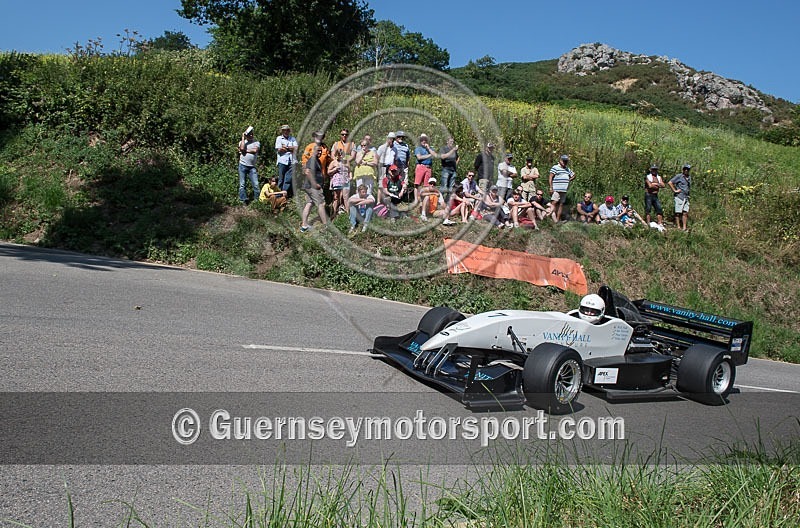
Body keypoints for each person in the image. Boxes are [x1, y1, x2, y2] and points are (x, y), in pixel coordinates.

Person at [299, 131, 329, 232]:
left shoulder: (317, 160)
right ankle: (326, 225)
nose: (319, 152)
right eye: (317, 151)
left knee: (309, 203)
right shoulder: (312, 159)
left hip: (309, 186)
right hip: (312, 186)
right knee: (321, 203)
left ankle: (304, 225)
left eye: (320, 151)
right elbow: (307, 171)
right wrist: (314, 184)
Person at [330, 129, 356, 207]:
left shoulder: (352, 144)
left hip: (347, 168)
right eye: (342, 134)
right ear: (340, 135)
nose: (344, 136)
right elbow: (332, 155)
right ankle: (336, 209)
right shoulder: (336, 144)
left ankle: (344, 207)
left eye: (346, 134)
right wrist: (337, 162)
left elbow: (353, 156)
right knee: (337, 192)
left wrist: (345, 160)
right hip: (337, 169)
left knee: (345, 191)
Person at [548, 154, 575, 222]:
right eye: (564, 161)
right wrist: (551, 187)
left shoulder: (567, 169)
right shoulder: (555, 167)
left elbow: (574, 175)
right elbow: (550, 177)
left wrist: (569, 180)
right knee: (554, 203)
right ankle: (551, 218)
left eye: (566, 161)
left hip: (564, 190)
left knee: (561, 204)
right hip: (556, 189)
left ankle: (557, 219)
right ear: (560, 160)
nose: (565, 162)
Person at [237, 126, 260, 204]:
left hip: (252, 167)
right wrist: (243, 138)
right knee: (242, 184)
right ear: (246, 135)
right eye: (249, 134)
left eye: (252, 134)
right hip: (242, 165)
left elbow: (255, 150)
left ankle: (257, 201)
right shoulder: (241, 142)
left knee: (256, 184)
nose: (251, 136)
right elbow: (242, 148)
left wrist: (244, 151)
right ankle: (243, 199)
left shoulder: (256, 142)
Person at [274, 124, 298, 198]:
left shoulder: (292, 138)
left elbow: (296, 148)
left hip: (292, 161)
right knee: (281, 178)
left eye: (287, 130)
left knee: (288, 178)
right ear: (282, 131)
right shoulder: (279, 138)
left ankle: (284, 193)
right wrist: (290, 149)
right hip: (282, 161)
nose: (286, 131)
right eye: (284, 130)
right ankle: (278, 195)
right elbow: (279, 150)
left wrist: (286, 148)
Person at [413, 133, 437, 203]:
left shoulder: (430, 148)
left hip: (428, 168)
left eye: (425, 140)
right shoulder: (418, 148)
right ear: (420, 141)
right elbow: (419, 157)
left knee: (426, 185)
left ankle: (423, 199)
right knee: (417, 183)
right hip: (421, 166)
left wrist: (428, 148)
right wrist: (429, 155)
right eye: (422, 140)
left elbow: (435, 155)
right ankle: (416, 199)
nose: (424, 141)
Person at [327, 148, 350, 218]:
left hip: (345, 181)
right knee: (336, 197)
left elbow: (349, 170)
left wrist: (350, 177)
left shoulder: (346, 162)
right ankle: (333, 213)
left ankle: (348, 214)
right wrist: (335, 169)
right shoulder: (334, 162)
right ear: (337, 155)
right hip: (337, 181)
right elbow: (328, 172)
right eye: (339, 155)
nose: (341, 156)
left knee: (345, 197)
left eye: (342, 155)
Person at [669, 164, 692, 231]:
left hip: (686, 197)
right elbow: (670, 182)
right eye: (685, 169)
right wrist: (675, 190)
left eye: (687, 169)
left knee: (685, 212)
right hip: (679, 196)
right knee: (678, 212)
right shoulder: (679, 176)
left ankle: (684, 227)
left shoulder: (689, 177)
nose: (686, 170)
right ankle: (678, 227)